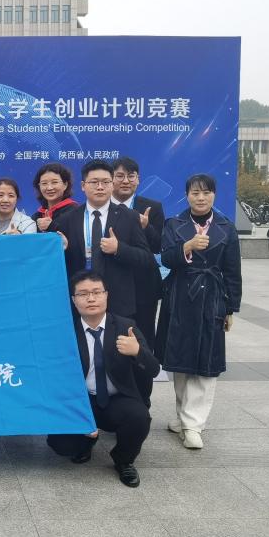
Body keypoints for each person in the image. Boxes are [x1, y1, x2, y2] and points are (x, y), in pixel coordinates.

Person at [46, 271, 157, 487]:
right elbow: (54, 377)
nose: (91, 298)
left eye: (97, 292)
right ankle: (85, 443)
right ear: (74, 300)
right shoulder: (65, 331)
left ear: (106, 295)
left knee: (139, 418)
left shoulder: (126, 326)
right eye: (83, 294)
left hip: (117, 399)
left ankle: (124, 460)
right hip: (81, 400)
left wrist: (137, 352)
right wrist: (74, 412)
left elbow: (153, 369)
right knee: (61, 444)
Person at [156, 174, 242, 450]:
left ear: (214, 195)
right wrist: (187, 246)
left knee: (206, 363)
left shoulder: (226, 228)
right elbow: (166, 257)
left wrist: (230, 307)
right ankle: (183, 416)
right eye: (195, 193)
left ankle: (193, 424)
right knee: (180, 362)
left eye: (206, 193)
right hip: (180, 297)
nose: (201, 198)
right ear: (187, 196)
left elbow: (232, 271)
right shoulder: (174, 224)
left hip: (212, 298)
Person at [53, 160, 153, 319]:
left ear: (112, 185)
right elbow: (59, 266)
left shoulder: (129, 217)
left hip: (118, 302)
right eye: (94, 182)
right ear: (83, 185)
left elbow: (146, 259)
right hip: (80, 300)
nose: (100, 187)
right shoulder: (67, 219)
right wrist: (62, 249)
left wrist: (119, 249)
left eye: (106, 182)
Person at [111, 156, 165, 406]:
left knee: (143, 344)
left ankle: (143, 402)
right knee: (114, 342)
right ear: (112, 179)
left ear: (138, 180)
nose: (125, 181)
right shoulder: (101, 207)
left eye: (131, 176)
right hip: (112, 288)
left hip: (144, 289)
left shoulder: (151, 207)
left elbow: (159, 246)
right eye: (120, 176)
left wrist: (146, 227)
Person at [31, 163, 77, 233]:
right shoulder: (36, 217)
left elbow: (79, 236)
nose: (49, 188)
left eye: (54, 182)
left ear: (65, 185)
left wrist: (52, 226)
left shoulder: (75, 212)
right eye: (44, 183)